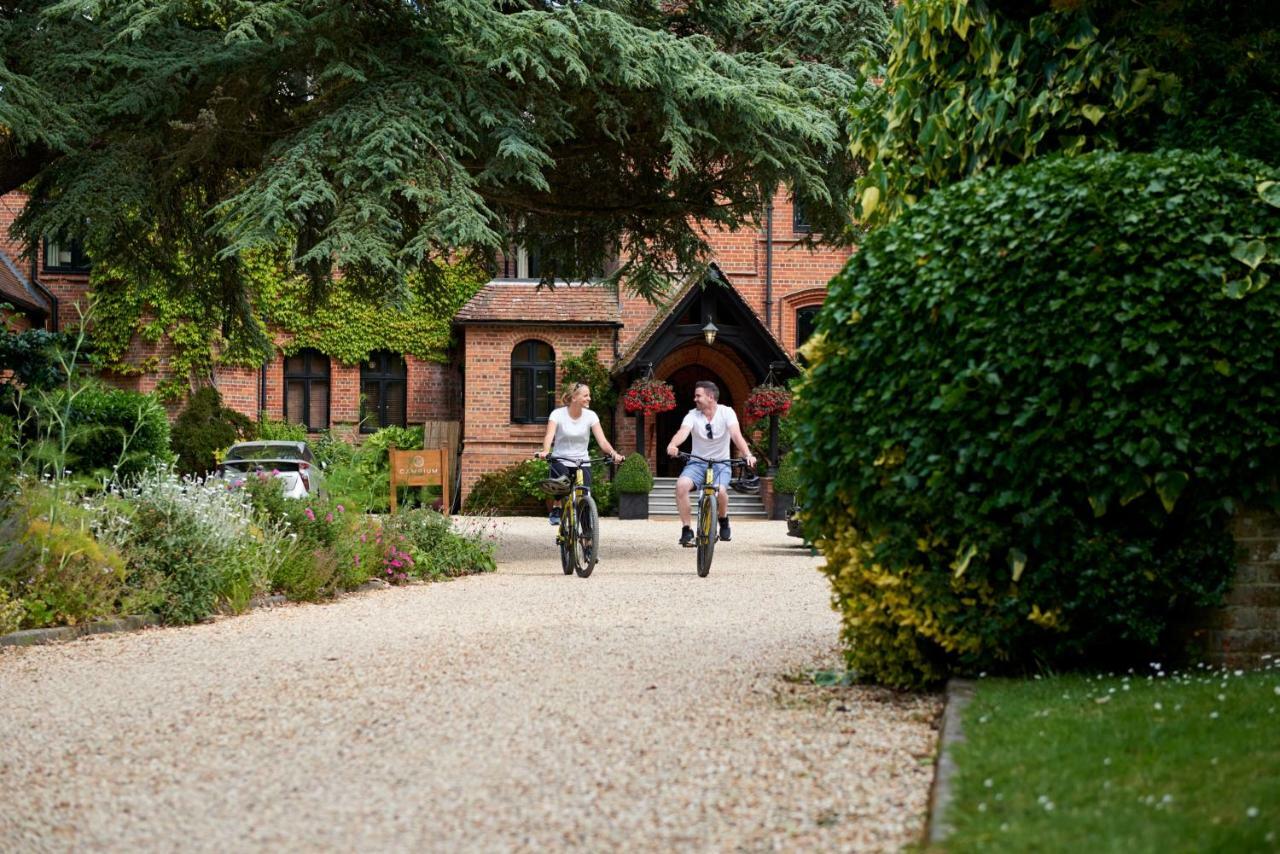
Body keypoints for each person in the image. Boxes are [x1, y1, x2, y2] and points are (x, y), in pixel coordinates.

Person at [665, 380, 756, 546]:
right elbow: (683, 432)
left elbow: (736, 435)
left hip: (721, 464)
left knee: (720, 491)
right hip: (697, 464)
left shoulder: (727, 412)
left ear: (711, 397)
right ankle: (687, 529)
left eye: (698, 396)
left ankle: (723, 519)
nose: (695, 399)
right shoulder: (692, 415)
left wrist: (747, 454)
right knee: (681, 486)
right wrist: (673, 444)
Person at [535, 382, 624, 526]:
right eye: (586, 395)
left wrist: (614, 453)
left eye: (589, 395)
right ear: (574, 397)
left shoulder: (591, 416)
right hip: (560, 459)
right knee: (561, 479)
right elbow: (549, 435)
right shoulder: (557, 414)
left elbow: (602, 441)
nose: (589, 398)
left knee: (585, 496)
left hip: (582, 461)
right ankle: (557, 506)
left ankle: (588, 540)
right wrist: (546, 451)